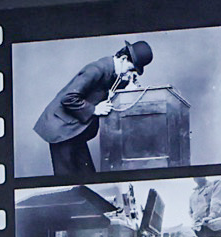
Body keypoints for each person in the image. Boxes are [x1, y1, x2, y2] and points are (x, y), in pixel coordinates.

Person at [33, 39, 154, 182]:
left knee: (88, 176)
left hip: (76, 131)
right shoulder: (97, 69)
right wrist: (94, 109)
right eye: (131, 69)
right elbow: (68, 98)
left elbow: (104, 89)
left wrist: (129, 87)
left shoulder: (113, 71)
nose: (130, 74)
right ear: (122, 59)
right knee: (66, 180)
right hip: (62, 130)